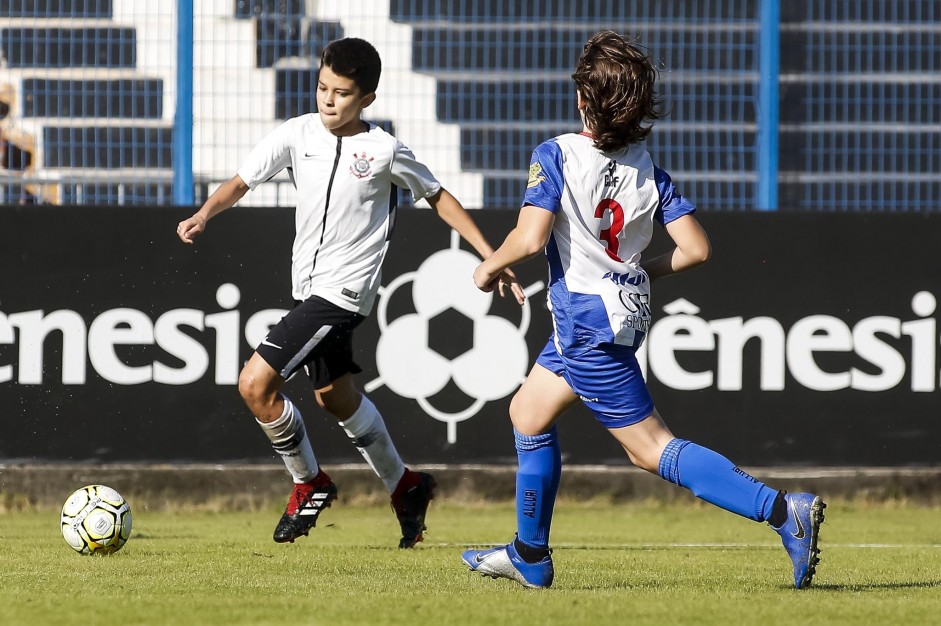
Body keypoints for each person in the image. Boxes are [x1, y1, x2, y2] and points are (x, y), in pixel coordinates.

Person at [461, 31, 825, 588]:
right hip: (616, 315)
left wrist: (488, 266)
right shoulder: (649, 170)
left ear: (583, 97)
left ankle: (782, 511)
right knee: (527, 414)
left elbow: (531, 238)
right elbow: (697, 249)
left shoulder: (555, 154)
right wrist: (639, 269)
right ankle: (529, 554)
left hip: (585, 323)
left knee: (651, 449)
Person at [177, 37, 524, 548]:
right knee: (334, 398)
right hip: (309, 291)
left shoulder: (384, 150)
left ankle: (308, 482)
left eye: (341, 93)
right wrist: (204, 214)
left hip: (342, 295)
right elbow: (242, 180)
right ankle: (406, 486)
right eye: (322, 88)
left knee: (255, 385)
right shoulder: (297, 134)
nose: (328, 100)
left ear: (367, 99)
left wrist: (491, 256)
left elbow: (439, 197)